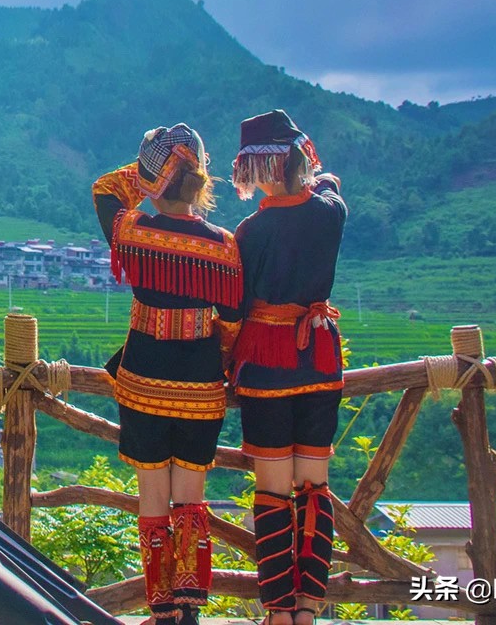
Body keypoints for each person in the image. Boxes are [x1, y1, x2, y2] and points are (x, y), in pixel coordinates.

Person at [92, 124, 243, 624]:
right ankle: (190, 612)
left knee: (152, 500)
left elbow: (104, 188)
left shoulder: (133, 232)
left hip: (142, 381)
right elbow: (233, 320)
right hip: (201, 387)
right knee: (190, 502)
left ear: (155, 176)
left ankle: (160, 613)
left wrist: (149, 179)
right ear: (200, 180)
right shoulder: (222, 246)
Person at [229, 110, 348, 625]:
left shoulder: (250, 231)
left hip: (266, 362)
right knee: (314, 489)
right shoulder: (331, 212)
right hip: (319, 357)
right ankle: (308, 610)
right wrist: (310, 173)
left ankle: (277, 613)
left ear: (258, 169)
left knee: (272, 492)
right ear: (300, 155)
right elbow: (329, 183)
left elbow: (235, 309)